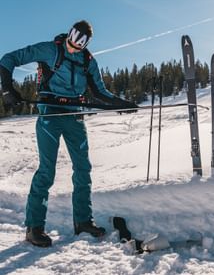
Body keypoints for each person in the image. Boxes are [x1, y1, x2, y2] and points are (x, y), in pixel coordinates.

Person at [0, 20, 137, 247]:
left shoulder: (87, 61)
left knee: (83, 168)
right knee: (47, 170)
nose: (72, 47)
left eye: (78, 45)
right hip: (50, 114)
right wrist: (7, 89)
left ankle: (83, 220)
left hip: (74, 115)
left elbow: (99, 92)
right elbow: (8, 60)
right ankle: (34, 227)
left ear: (85, 45)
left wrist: (121, 103)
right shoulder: (51, 49)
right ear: (69, 36)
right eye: (71, 42)